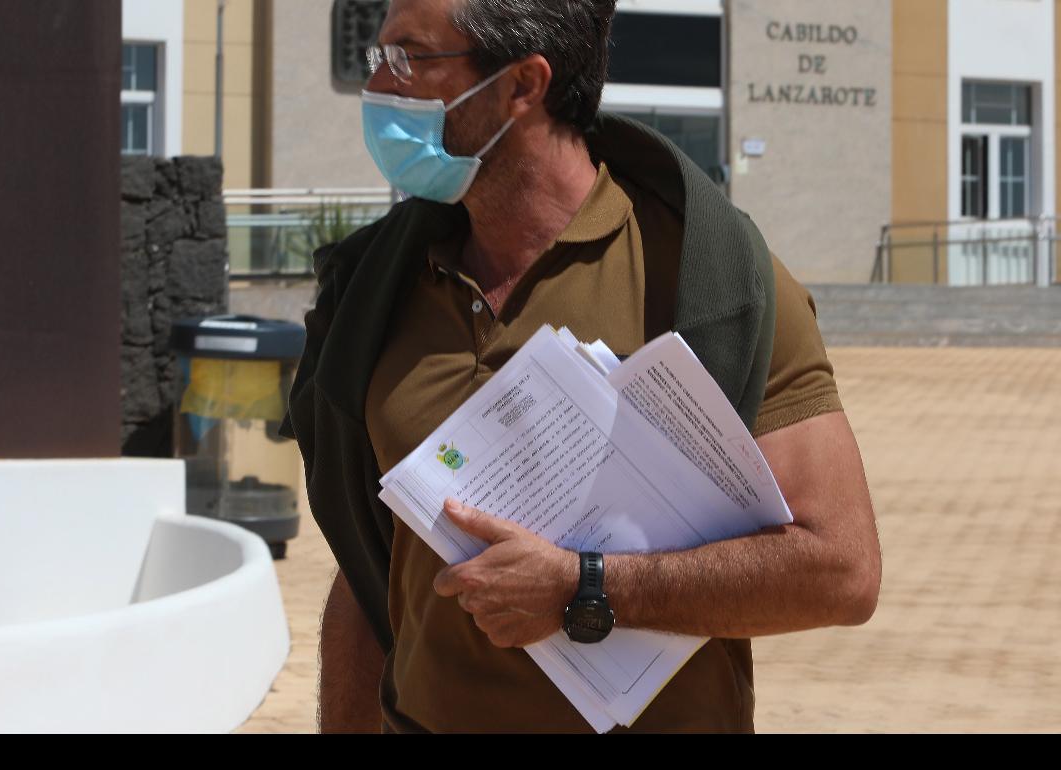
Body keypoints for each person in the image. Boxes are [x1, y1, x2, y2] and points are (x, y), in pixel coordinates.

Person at [280, 0, 881, 733]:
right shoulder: (376, 288)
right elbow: (374, 567)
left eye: (411, 57)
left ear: (522, 85)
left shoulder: (710, 280)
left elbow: (839, 572)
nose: (383, 88)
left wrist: (585, 586)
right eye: (380, 58)